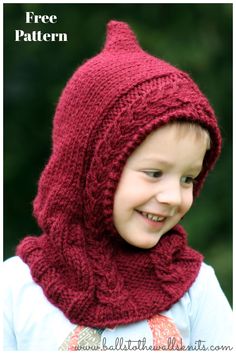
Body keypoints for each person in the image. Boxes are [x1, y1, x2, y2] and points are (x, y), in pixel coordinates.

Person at [3, 20, 233, 351]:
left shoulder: (196, 290)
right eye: (154, 173)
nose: (173, 197)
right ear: (86, 170)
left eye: (188, 178)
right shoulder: (14, 289)